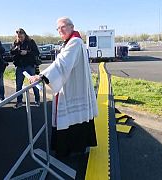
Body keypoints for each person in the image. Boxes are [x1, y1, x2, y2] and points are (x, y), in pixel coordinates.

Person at [29, 17, 98, 157]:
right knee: (76, 117)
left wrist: (41, 76)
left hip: (73, 87)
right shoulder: (71, 41)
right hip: (72, 84)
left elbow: (62, 63)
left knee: (72, 118)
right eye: (58, 28)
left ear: (72, 27)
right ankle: (74, 148)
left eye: (63, 27)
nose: (60, 30)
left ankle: (72, 150)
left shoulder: (75, 42)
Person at [11, 28, 40, 108]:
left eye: (21, 36)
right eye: (18, 36)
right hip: (20, 66)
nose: (20, 38)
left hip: (29, 66)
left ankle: (37, 100)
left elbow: (37, 52)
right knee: (18, 85)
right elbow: (11, 52)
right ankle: (19, 102)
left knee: (34, 84)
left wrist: (27, 52)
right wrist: (17, 50)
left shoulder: (31, 42)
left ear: (24, 34)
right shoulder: (16, 43)